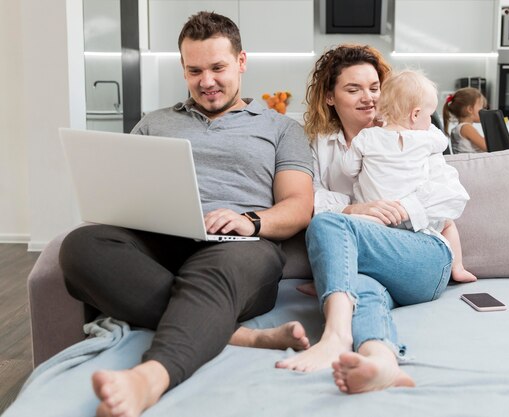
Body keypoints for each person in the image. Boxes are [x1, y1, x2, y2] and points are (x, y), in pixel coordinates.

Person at [59, 11, 314, 417]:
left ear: (241, 62)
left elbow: (299, 206)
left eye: (218, 68)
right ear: (182, 68)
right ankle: (229, 332)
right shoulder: (154, 123)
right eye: (194, 70)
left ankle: (151, 377)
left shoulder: (281, 128)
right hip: (159, 242)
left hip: (241, 248)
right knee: (79, 246)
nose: (206, 81)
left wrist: (251, 221)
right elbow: (125, 190)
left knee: (222, 266)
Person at [275, 45, 469, 394]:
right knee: (361, 291)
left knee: (326, 223)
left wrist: (400, 207)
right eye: (353, 89)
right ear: (330, 98)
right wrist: (354, 210)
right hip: (367, 267)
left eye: (375, 88)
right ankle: (381, 360)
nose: (369, 99)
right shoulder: (317, 145)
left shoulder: (417, 137)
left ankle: (334, 336)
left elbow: (451, 195)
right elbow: (307, 197)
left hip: (423, 256)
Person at [340, 69, 475, 284]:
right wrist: (429, 128)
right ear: (415, 114)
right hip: (415, 220)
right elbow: (443, 142)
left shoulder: (367, 137)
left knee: (344, 232)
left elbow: (347, 169)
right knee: (448, 223)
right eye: (428, 115)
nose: (429, 121)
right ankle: (457, 267)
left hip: (377, 217)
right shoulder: (427, 139)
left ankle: (336, 276)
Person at [442, 87, 488, 153]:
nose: (484, 110)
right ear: (470, 109)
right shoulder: (466, 128)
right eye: (482, 107)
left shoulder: (458, 128)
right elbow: (488, 147)